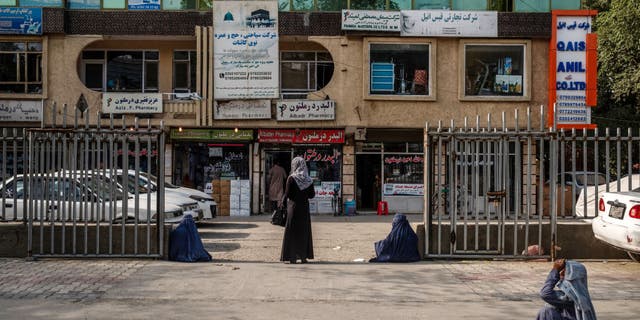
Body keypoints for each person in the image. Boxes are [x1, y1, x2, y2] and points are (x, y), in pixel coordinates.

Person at [280, 156, 315, 264]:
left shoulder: (291, 178)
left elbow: (287, 194)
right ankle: (303, 257)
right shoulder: (309, 180)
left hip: (293, 208)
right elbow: (312, 195)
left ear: (294, 165)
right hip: (304, 209)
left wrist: (282, 202)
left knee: (292, 232)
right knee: (304, 232)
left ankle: (292, 258)